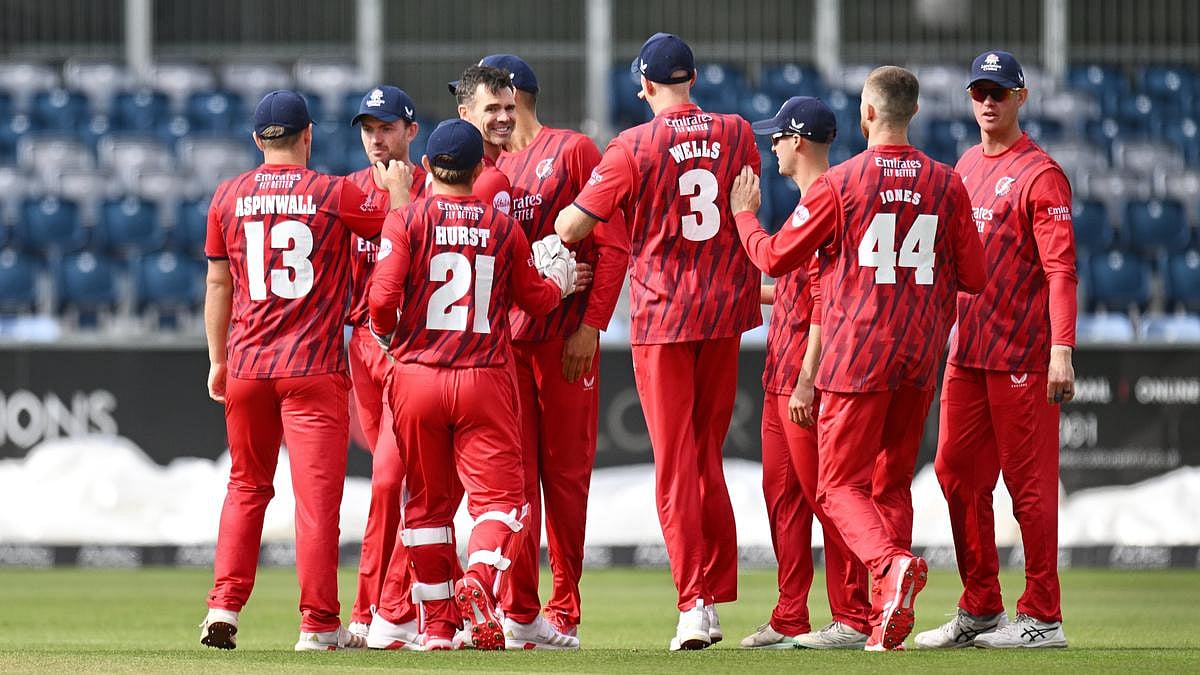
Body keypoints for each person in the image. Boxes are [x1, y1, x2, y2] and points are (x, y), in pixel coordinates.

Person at [729, 66, 987, 651]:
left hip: (857, 354)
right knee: (891, 486)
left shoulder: (841, 184)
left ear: (868, 114)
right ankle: (882, 617)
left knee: (838, 486)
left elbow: (773, 257)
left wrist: (745, 216)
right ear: (912, 113)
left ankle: (891, 570)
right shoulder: (949, 184)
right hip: (920, 356)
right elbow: (974, 276)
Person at [555, 32, 762, 651]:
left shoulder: (631, 145)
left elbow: (570, 226)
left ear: (643, 85)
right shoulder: (737, 131)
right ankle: (712, 591)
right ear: (693, 78)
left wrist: (612, 205)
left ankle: (695, 603)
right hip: (724, 311)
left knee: (675, 462)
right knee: (705, 455)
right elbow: (744, 202)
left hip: (664, 315)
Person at [199, 89, 411, 651]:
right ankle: (317, 624)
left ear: (255, 140)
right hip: (312, 366)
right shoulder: (333, 193)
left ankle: (223, 605)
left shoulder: (227, 196)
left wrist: (218, 359)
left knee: (245, 487)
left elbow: (218, 284)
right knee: (315, 502)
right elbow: (397, 230)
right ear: (308, 135)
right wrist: (398, 193)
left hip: (247, 362)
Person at [367, 119, 587, 651]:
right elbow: (535, 300)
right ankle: (480, 583)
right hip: (483, 376)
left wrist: (388, 337)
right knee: (503, 502)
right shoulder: (502, 226)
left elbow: (380, 302)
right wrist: (559, 280)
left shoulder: (407, 219)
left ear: (425, 168)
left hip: (417, 375)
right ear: (481, 168)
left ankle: (439, 628)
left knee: (425, 508)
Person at [456, 53, 628, 650]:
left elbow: (613, 245)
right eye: (484, 106)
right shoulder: (483, 171)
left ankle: (566, 610)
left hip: (563, 342)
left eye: (499, 102)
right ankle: (520, 612)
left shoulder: (573, 150)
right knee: (514, 482)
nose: (492, 115)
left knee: (566, 479)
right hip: (505, 344)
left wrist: (591, 328)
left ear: (516, 96)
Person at [915, 50, 1075, 650]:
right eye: (980, 91)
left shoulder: (1042, 175)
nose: (988, 101)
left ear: (1021, 99)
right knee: (954, 475)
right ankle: (981, 607)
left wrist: (1062, 348)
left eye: (1000, 92)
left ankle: (1042, 616)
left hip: (1023, 355)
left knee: (1028, 488)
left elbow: (1061, 270)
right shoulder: (963, 164)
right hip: (968, 353)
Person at [734, 96, 872, 651]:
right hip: (780, 373)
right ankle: (791, 614)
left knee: (826, 496)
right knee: (783, 497)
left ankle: (852, 614)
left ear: (797, 141)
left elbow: (824, 302)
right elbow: (797, 288)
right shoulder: (808, 203)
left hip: (802, 378)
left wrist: (808, 378)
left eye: (777, 138)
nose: (771, 147)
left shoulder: (826, 201)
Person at [340, 84, 425, 646]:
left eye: (387, 128)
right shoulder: (346, 192)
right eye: (369, 129)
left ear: (410, 131)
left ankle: (374, 612)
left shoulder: (433, 189)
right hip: (363, 347)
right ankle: (395, 607)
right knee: (389, 480)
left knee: (391, 481)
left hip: (410, 349)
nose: (377, 139)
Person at [451, 65, 515, 212]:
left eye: (510, 108)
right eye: (492, 109)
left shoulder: (445, 169)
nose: (504, 118)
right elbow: (498, 235)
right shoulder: (490, 179)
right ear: (464, 113)